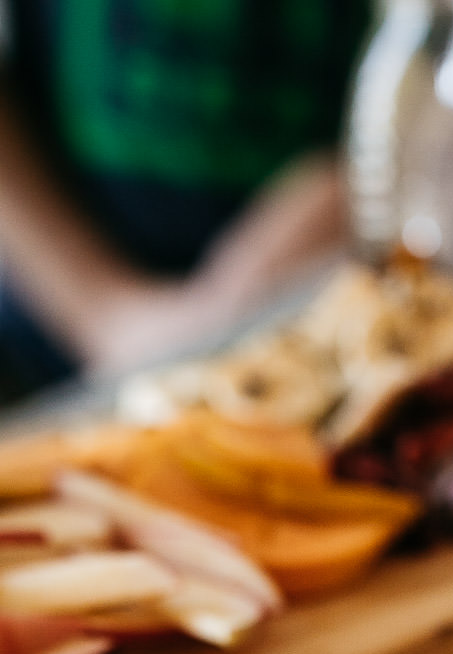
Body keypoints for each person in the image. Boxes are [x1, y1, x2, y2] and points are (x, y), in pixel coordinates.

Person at [0, 0, 372, 400]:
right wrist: (104, 314)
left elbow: (436, 43)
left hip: (332, 305)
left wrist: (352, 179)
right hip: (54, 333)